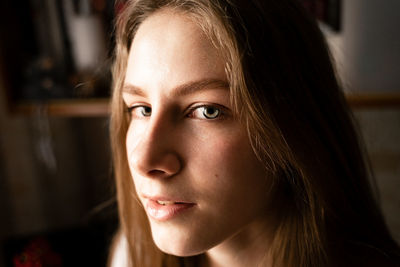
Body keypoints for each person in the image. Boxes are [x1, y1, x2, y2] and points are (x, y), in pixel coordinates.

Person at [108, 0, 400, 266]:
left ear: (291, 126)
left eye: (207, 111)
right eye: (141, 109)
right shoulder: (130, 256)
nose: (145, 160)